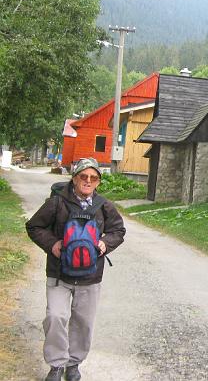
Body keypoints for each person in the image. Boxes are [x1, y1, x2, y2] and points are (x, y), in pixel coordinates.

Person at [26, 158, 126, 381]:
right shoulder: (56, 202)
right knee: (56, 317)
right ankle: (56, 364)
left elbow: (118, 231)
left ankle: (73, 364)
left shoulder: (104, 205)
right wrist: (52, 244)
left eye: (93, 178)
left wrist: (105, 243)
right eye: (83, 176)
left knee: (83, 322)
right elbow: (34, 226)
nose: (88, 181)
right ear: (74, 178)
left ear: (98, 182)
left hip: (91, 276)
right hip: (59, 274)